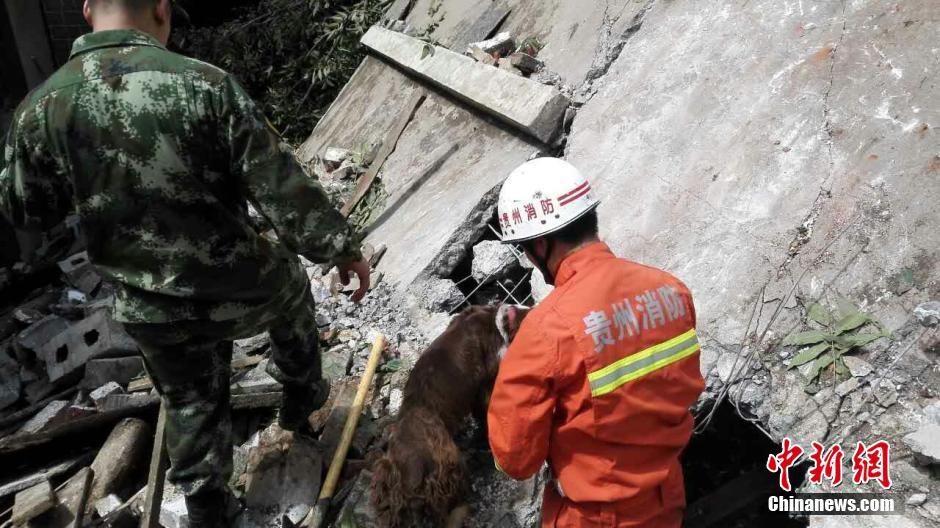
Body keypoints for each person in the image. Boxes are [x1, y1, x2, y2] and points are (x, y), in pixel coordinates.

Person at [0, 0, 370, 525]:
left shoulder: (41, 108)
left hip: (147, 307)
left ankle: (206, 504)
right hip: (236, 285)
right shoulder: (207, 85)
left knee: (189, 397)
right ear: (161, 10)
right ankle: (301, 396)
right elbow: (280, 188)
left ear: (86, 12)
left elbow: (25, 209)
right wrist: (341, 247)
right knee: (289, 282)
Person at [487, 158, 705, 527]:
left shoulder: (546, 331)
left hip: (596, 516)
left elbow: (515, 459)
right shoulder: (670, 289)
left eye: (525, 248)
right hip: (667, 496)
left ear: (540, 244)